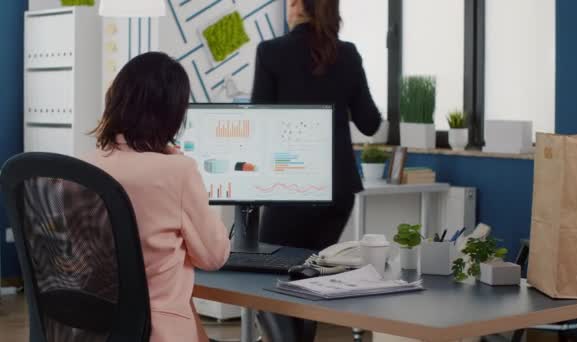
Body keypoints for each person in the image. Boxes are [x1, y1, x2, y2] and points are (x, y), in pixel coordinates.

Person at [251, 0, 382, 340]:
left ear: (295, 5)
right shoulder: (348, 54)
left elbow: (258, 122)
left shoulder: (271, 52)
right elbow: (370, 123)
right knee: (309, 281)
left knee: (269, 282)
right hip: (337, 193)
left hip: (290, 187)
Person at [83, 52, 230, 342]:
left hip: (92, 327)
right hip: (156, 331)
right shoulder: (177, 171)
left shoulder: (85, 166)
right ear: (172, 113)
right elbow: (214, 257)